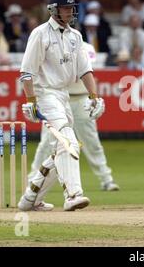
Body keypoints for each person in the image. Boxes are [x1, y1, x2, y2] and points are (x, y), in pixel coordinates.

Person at [18, 0, 105, 212]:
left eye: (71, 8)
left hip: (63, 95)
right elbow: (27, 72)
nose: (69, 12)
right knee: (69, 141)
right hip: (44, 93)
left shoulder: (75, 36)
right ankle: (73, 195)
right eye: (65, 8)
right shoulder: (40, 33)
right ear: (53, 10)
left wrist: (94, 96)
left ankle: (30, 198)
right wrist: (31, 100)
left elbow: (86, 70)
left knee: (61, 149)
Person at [28, 42, 120, 192]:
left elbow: (86, 72)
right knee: (46, 143)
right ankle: (32, 180)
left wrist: (93, 98)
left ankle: (106, 179)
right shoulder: (55, 49)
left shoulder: (87, 48)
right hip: (58, 99)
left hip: (82, 99)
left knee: (92, 142)